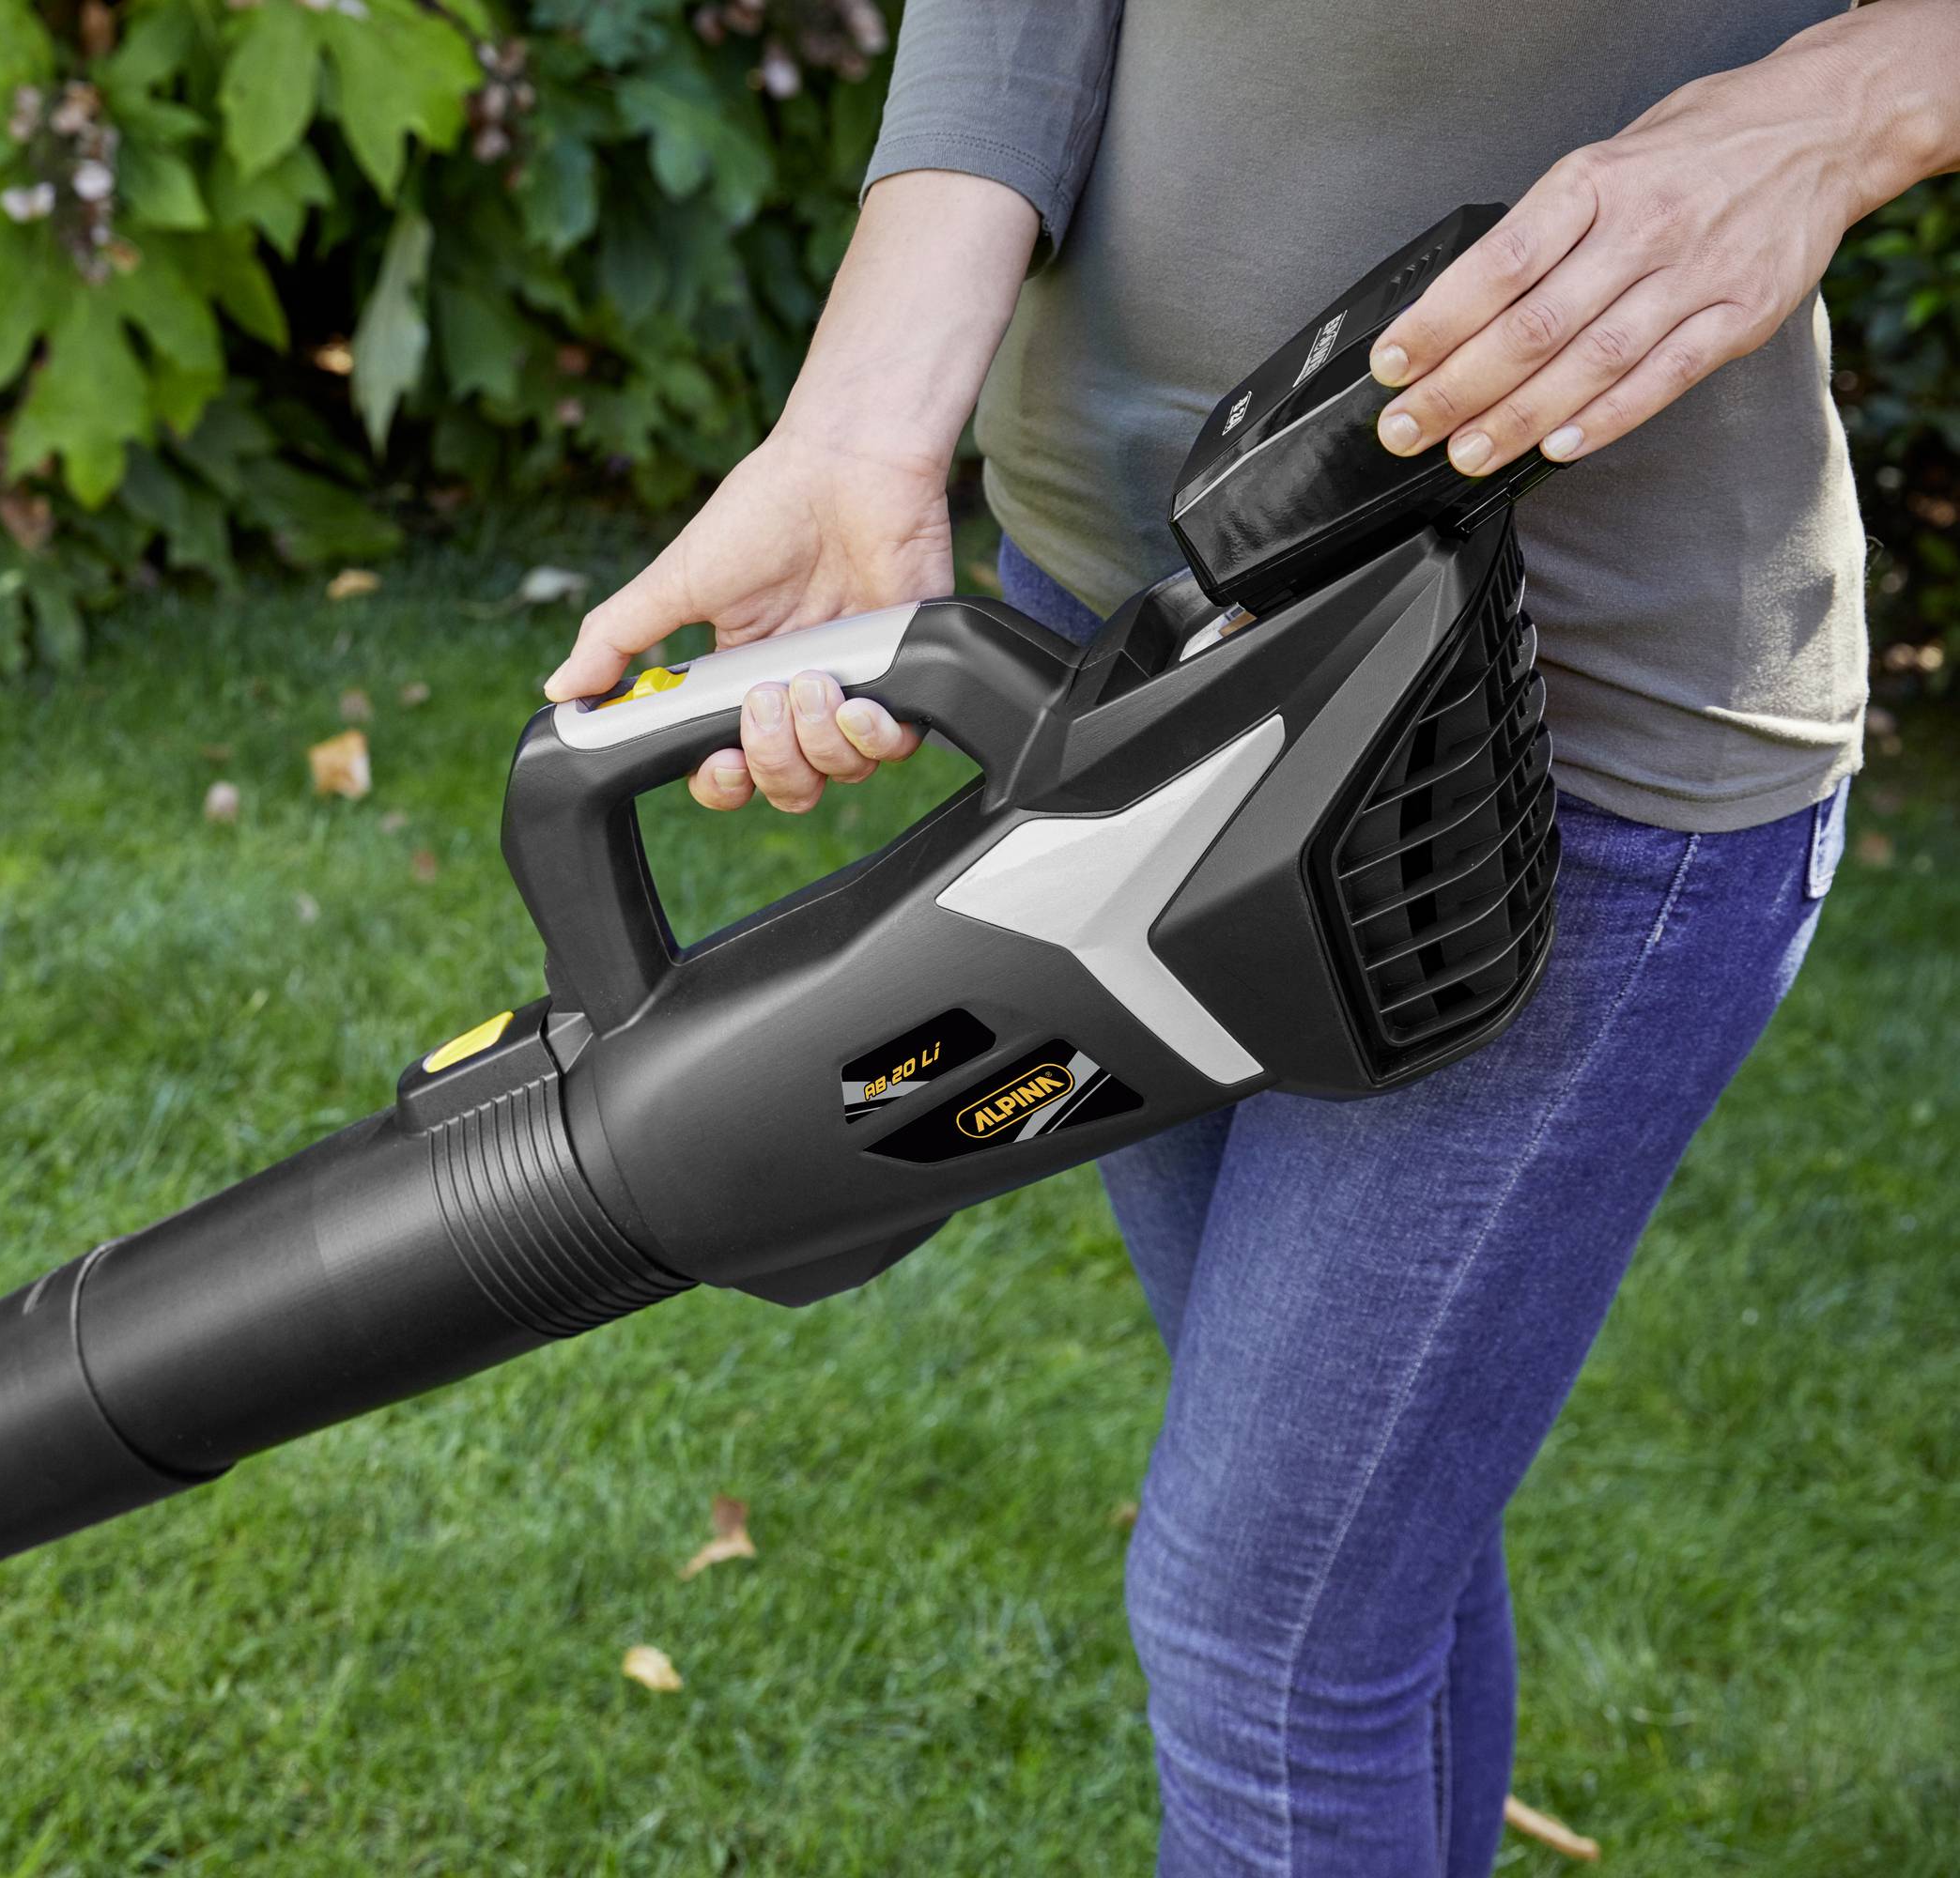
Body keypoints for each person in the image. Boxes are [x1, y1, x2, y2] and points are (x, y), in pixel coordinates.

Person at [545, 4, 1960, 1872]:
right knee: (1352, 1588)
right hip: (1112, 643)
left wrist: (1849, 104)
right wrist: (862, 430)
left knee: (1268, 1632)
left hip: (1564, 719)